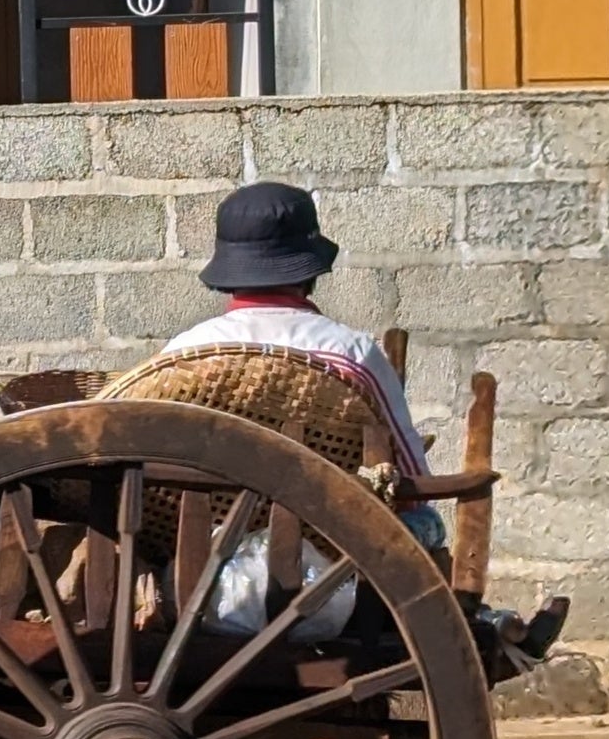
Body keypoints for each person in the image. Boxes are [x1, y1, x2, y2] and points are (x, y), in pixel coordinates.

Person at [159, 180, 441, 537]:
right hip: (338, 545)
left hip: (206, 548)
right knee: (427, 524)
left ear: (230, 270)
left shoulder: (183, 354)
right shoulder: (350, 354)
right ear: (308, 271)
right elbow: (413, 476)